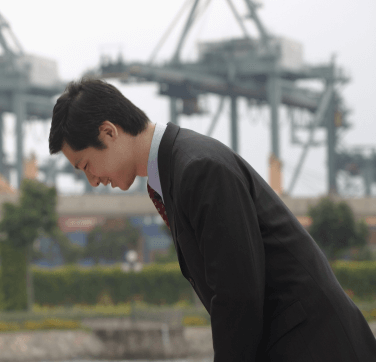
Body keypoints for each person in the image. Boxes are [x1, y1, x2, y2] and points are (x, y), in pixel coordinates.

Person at [48, 78, 376, 362]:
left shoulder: (198, 168)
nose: (92, 180)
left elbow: (237, 295)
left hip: (316, 347)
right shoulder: (176, 169)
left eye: (86, 165)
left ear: (109, 132)